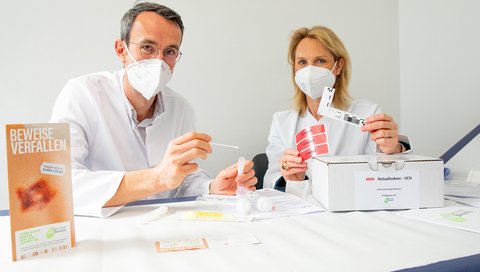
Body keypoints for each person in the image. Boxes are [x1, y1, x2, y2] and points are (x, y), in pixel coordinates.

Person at [50, 2, 257, 217]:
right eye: (148, 47)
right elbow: (59, 184)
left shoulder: (182, 109)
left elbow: (183, 178)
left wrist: (212, 188)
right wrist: (157, 178)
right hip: (103, 232)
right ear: (121, 50)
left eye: (170, 51)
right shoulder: (83, 95)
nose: (159, 61)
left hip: (162, 227)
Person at [263, 25, 410, 190]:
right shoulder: (282, 122)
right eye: (302, 62)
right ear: (294, 69)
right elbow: (270, 181)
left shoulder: (368, 114)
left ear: (338, 66)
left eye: (320, 61)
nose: (310, 70)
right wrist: (290, 178)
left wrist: (394, 149)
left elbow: (390, 177)